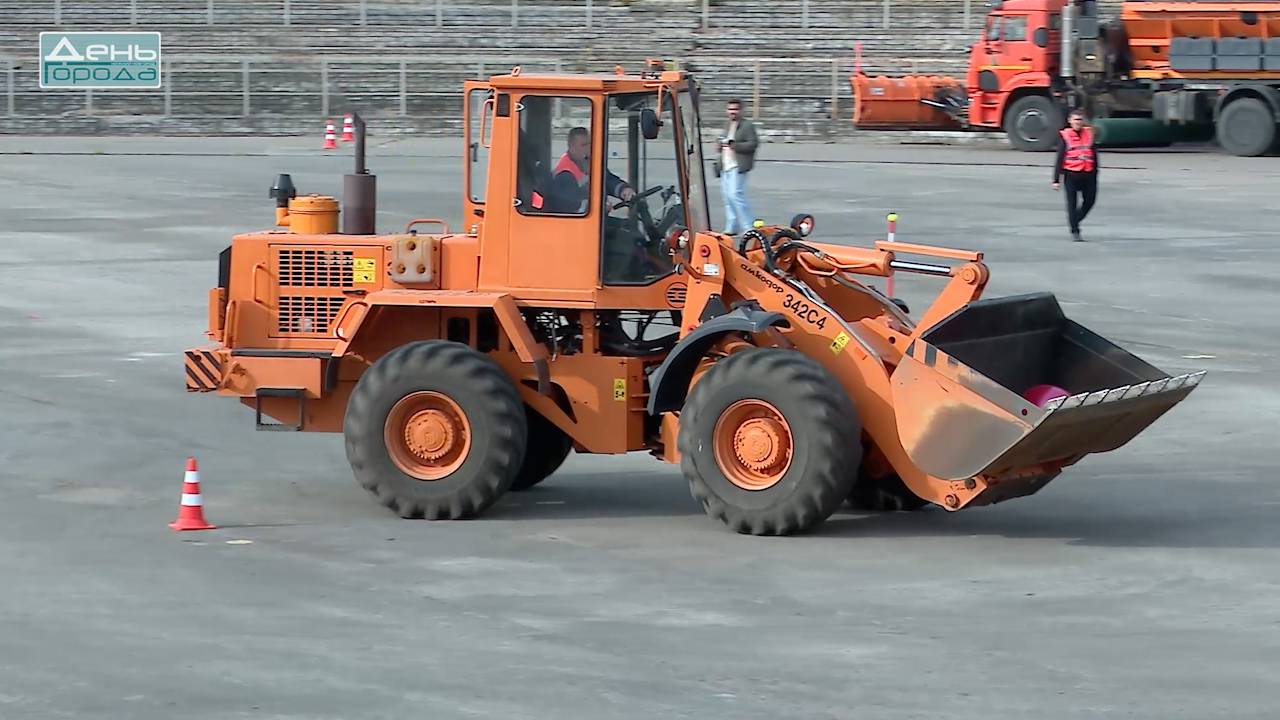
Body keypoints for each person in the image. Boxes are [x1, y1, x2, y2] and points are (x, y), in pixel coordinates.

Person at [544, 126, 634, 214]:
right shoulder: (564, 174)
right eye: (583, 145)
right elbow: (570, 205)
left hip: (596, 218)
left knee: (626, 226)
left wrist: (623, 190)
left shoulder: (588, 162)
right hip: (577, 224)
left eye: (589, 144)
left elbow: (606, 179)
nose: (588, 148)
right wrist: (598, 207)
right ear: (571, 146)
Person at [1052, 109, 1099, 242]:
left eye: (1080, 119)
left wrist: (1095, 174)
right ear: (1070, 121)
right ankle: (1075, 230)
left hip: (1088, 175)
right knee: (1071, 204)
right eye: (1075, 120)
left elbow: (1094, 156)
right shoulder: (1065, 136)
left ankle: (1075, 220)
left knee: (1090, 201)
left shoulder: (1089, 134)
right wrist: (1056, 180)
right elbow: (1059, 158)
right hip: (1071, 175)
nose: (1078, 122)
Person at [713, 99, 759, 235]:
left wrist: (735, 145)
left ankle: (748, 226)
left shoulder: (747, 125)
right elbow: (721, 140)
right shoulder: (727, 124)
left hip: (738, 165)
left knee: (735, 195)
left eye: (735, 109)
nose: (732, 112)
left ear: (741, 110)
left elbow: (753, 144)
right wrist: (719, 144)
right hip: (725, 165)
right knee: (727, 197)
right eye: (730, 109)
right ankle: (731, 227)